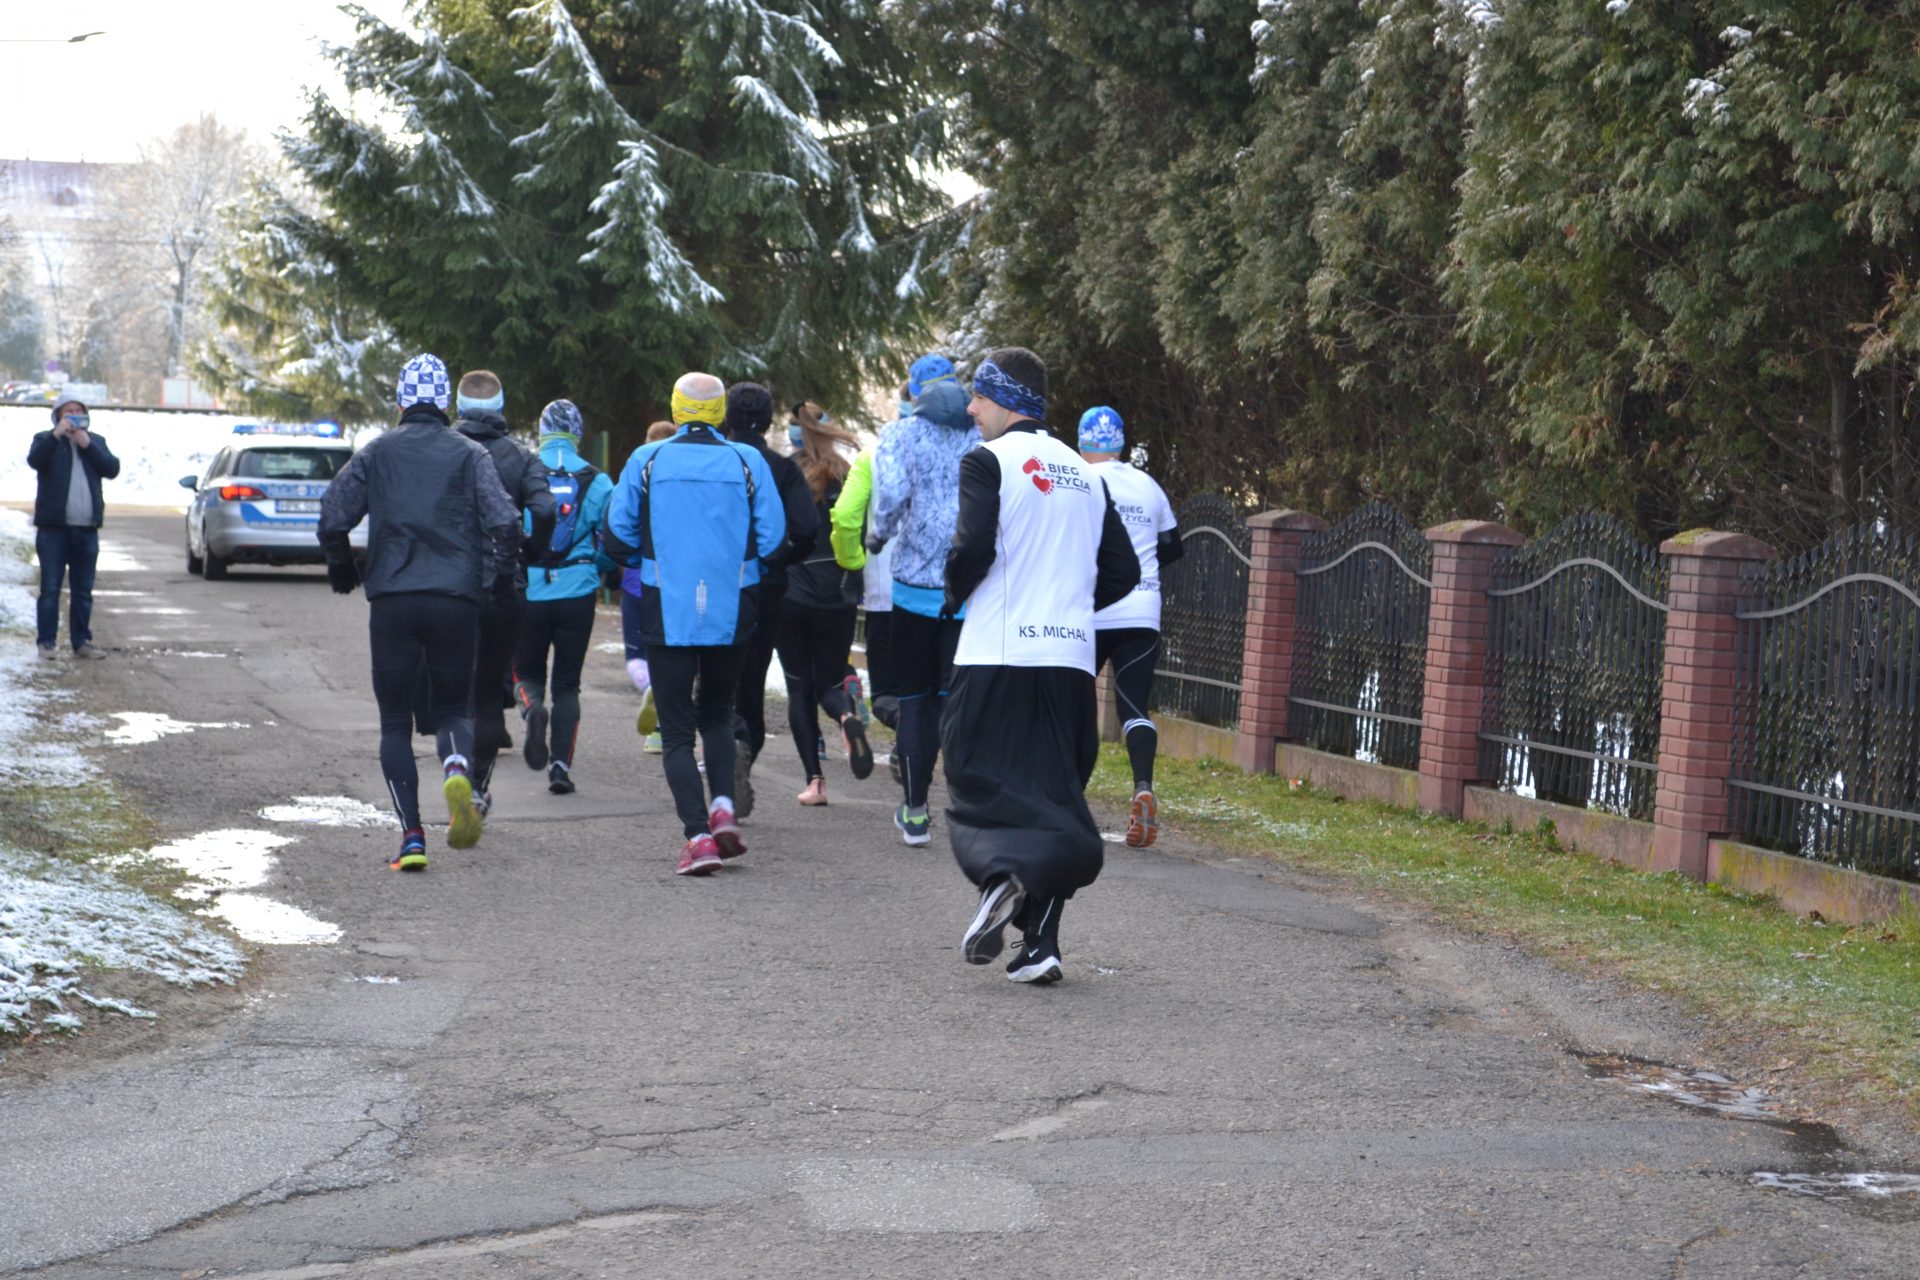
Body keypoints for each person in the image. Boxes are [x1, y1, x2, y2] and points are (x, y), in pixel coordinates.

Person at [942, 347, 1140, 984]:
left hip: (997, 654)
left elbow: (972, 545)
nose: (971, 409)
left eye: (979, 396)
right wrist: (1069, 606)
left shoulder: (987, 461)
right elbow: (1125, 572)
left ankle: (1001, 875)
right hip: (1070, 662)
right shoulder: (1087, 474)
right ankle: (1041, 946)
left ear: (1004, 399)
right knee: (1058, 797)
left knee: (974, 774)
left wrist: (954, 594)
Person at [318, 354, 520, 872]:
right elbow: (506, 521)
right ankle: (456, 767)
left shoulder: (377, 451)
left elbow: (333, 514)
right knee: (453, 709)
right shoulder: (470, 453)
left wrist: (342, 569)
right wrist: (498, 582)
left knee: (394, 722)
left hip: (394, 600)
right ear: (446, 401)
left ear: (401, 401)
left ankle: (411, 837)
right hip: (455, 599)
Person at [603, 372, 783, 876]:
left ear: (677, 409)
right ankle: (723, 808)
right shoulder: (747, 461)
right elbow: (773, 539)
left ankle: (698, 837)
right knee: (719, 714)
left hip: (668, 606)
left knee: (678, 731)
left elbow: (616, 536)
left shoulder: (647, 459)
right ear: (720, 412)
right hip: (732, 607)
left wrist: (648, 559)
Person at [868, 354, 977, 845]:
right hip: (965, 590)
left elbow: (891, 494)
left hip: (913, 590)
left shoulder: (901, 434)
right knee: (955, 700)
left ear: (914, 392)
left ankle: (915, 812)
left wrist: (879, 535)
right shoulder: (981, 435)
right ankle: (966, 807)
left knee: (914, 700)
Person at [450, 370, 555, 821]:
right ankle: (477, 787)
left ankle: (454, 768)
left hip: (449, 584)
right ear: (501, 407)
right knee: (491, 689)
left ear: (458, 407)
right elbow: (545, 509)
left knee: (455, 690)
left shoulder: (444, 450)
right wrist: (534, 550)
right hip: (505, 585)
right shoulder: (522, 457)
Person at [1079, 405, 1182, 848]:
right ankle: (1143, 787)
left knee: (1076, 703)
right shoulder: (1148, 485)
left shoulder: (1083, 480)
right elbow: (1173, 546)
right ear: (1120, 444)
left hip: (1094, 608)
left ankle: (1069, 799)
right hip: (1143, 609)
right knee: (1133, 707)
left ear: (1082, 443)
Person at [722, 382, 817, 819]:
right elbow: (806, 528)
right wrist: (779, 560)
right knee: (751, 683)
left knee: (713, 679)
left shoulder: (715, 461)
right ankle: (743, 742)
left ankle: (725, 750)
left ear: (727, 417)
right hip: (766, 587)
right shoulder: (781, 469)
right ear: (768, 420)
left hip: (714, 584)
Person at [513, 400, 615, 794]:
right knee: (568, 684)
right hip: (578, 590)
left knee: (526, 673)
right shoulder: (598, 480)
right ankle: (559, 767)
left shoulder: (524, 470)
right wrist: (597, 567)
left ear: (541, 431)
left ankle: (531, 710)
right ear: (578, 433)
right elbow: (610, 541)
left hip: (531, 588)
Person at [777, 401, 873, 805]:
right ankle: (846, 715)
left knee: (799, 687)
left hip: (792, 593)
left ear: (792, 435)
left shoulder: (785, 474)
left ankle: (814, 782)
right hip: (838, 593)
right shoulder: (847, 473)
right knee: (831, 681)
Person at [829, 383, 910, 733]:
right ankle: (917, 747)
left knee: (888, 694)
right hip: (947, 598)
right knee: (931, 690)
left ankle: (907, 739)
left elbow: (846, 516)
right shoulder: (968, 450)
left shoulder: (874, 455)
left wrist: (853, 564)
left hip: (887, 592)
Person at [27, 398, 121, 659]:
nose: (74, 415)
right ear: (58, 415)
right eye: (69, 411)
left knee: (83, 591)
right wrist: (56, 435)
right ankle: (46, 643)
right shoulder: (46, 440)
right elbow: (35, 460)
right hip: (53, 530)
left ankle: (81, 641)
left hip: (86, 529)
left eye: (79, 411)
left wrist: (87, 444)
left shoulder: (95, 441)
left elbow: (112, 468)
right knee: (50, 588)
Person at [622, 420, 677, 754]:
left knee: (635, 656)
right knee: (672, 657)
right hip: (675, 584)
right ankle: (662, 732)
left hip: (635, 581)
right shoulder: (683, 484)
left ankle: (647, 688)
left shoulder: (635, 478)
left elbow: (617, 526)